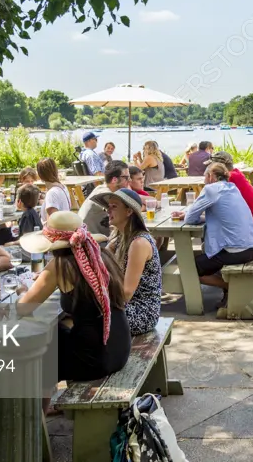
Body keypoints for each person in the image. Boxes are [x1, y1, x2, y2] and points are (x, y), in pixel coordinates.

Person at [18, 210, 131, 399]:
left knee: (40, 343)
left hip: (94, 359)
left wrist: (22, 291)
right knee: (56, 331)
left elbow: (23, 307)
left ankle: (39, 412)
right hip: (119, 348)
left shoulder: (60, 265)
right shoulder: (101, 256)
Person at [172, 162, 253, 310]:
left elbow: (190, 219)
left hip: (236, 252)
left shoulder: (211, 189)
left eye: (204, 176)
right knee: (208, 254)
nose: (203, 180)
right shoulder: (232, 188)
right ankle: (227, 289)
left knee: (190, 267)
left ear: (211, 176)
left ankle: (230, 287)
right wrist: (190, 214)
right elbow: (222, 216)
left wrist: (188, 215)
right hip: (252, 248)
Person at [102, 188, 162, 335]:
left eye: (114, 207)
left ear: (129, 211)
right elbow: (97, 263)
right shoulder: (119, 239)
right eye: (108, 207)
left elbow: (126, 293)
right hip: (125, 307)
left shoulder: (139, 243)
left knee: (83, 318)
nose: (108, 211)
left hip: (141, 312)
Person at [207, 151, 253, 242]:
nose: (208, 170)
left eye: (210, 167)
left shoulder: (229, 179)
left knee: (211, 233)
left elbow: (212, 203)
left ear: (218, 167)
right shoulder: (236, 174)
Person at [78, 161, 131, 236]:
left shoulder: (105, 189)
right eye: (126, 177)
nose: (130, 180)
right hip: (92, 242)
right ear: (114, 180)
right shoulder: (105, 194)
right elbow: (130, 212)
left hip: (96, 238)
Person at [38, 157, 72, 224]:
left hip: (57, 232)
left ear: (40, 175)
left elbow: (52, 223)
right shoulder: (63, 187)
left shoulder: (51, 193)